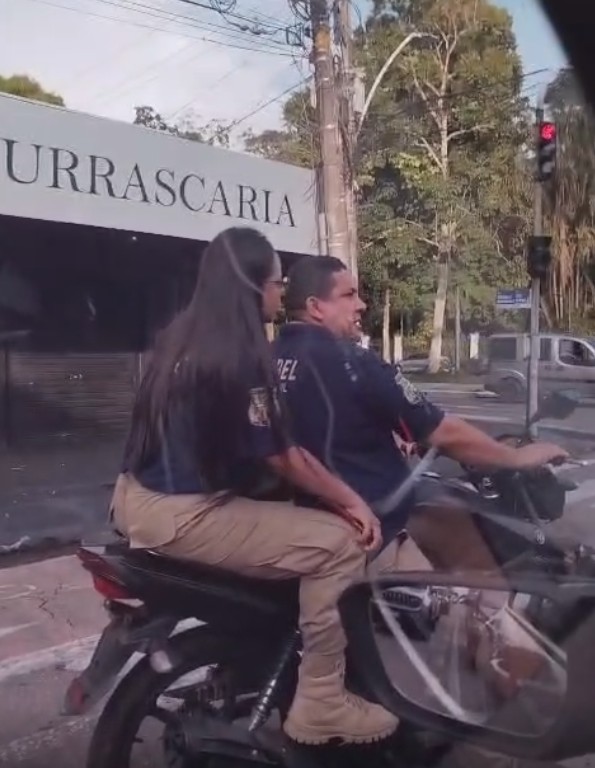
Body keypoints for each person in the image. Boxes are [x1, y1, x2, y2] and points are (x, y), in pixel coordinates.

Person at [109, 227, 398, 746]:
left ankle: (251, 665)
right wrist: (352, 501)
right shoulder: (241, 353)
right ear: (249, 286)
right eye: (275, 284)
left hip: (135, 499)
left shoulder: (181, 335)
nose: (279, 296)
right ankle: (323, 703)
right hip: (181, 513)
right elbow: (282, 455)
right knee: (340, 543)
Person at [273, 256, 569, 573]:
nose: (361, 304)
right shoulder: (353, 361)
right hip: (373, 523)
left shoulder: (269, 358)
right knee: (469, 549)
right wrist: (519, 458)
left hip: (309, 517)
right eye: (348, 295)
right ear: (316, 307)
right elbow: (442, 431)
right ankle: (489, 614)